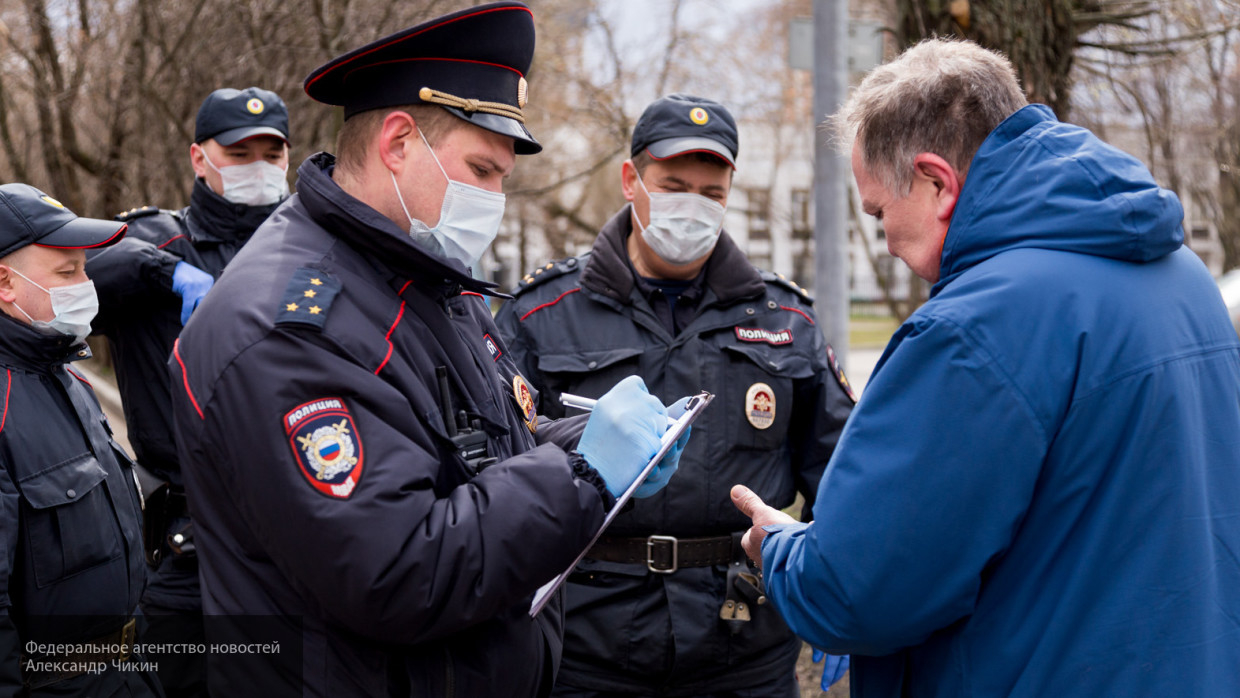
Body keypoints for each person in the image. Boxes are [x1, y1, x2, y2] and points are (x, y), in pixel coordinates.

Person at [166, 3, 687, 696]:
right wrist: (583, 478)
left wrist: (590, 441)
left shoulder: (426, 278)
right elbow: (396, 569)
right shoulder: (286, 327)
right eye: (482, 168)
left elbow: (471, 450)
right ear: (398, 142)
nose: (496, 197)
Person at [731, 38, 1240, 697]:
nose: (884, 241)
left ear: (938, 181)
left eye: (881, 210)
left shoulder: (974, 328)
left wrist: (780, 551)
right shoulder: (1184, 278)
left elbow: (857, 592)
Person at [495, 94, 854, 697]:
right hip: (589, 642)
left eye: (711, 193)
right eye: (674, 184)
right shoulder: (542, 315)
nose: (693, 206)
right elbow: (500, 471)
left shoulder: (787, 318)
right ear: (631, 179)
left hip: (742, 646)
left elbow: (843, 475)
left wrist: (843, 590)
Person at [84, 85, 291, 698]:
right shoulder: (159, 239)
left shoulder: (314, 250)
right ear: (200, 158)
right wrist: (163, 272)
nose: (258, 167)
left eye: (271, 153)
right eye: (239, 151)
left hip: (297, 531)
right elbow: (66, 275)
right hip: (189, 545)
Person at [0, 183, 160, 696]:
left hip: (130, 670)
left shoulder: (72, 378)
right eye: (67, 273)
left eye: (85, 270)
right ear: (5, 282)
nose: (85, 285)